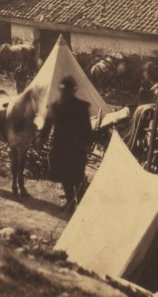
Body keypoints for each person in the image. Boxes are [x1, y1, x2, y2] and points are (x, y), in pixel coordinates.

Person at [38, 75, 92, 214]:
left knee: (76, 176)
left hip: (75, 147)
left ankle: (78, 204)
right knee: (65, 176)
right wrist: (41, 139)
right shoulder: (55, 107)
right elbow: (47, 125)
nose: (65, 93)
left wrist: (87, 144)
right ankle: (70, 202)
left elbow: (86, 128)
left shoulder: (81, 107)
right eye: (63, 90)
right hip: (62, 147)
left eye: (68, 90)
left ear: (72, 91)